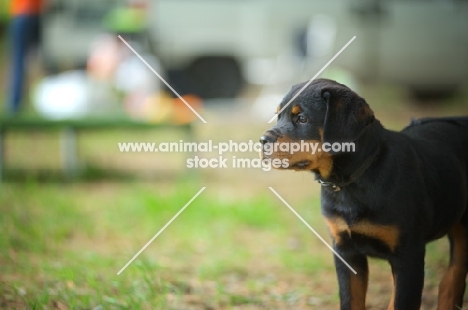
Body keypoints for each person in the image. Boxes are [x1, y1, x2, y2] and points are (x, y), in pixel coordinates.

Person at [7, 0, 44, 115]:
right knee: (32, 62)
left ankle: (15, 105)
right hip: (35, 15)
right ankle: (28, 101)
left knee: (19, 61)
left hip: (23, 15)